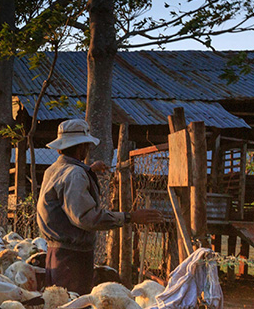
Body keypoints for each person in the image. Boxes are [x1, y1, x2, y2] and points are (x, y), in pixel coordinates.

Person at [37, 118, 163, 295]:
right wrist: (130, 217)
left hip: (55, 253)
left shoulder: (54, 170)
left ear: (59, 148)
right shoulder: (76, 174)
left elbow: (67, 186)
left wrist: (89, 169)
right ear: (82, 147)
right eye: (86, 147)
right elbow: (85, 217)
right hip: (73, 259)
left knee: (57, 307)